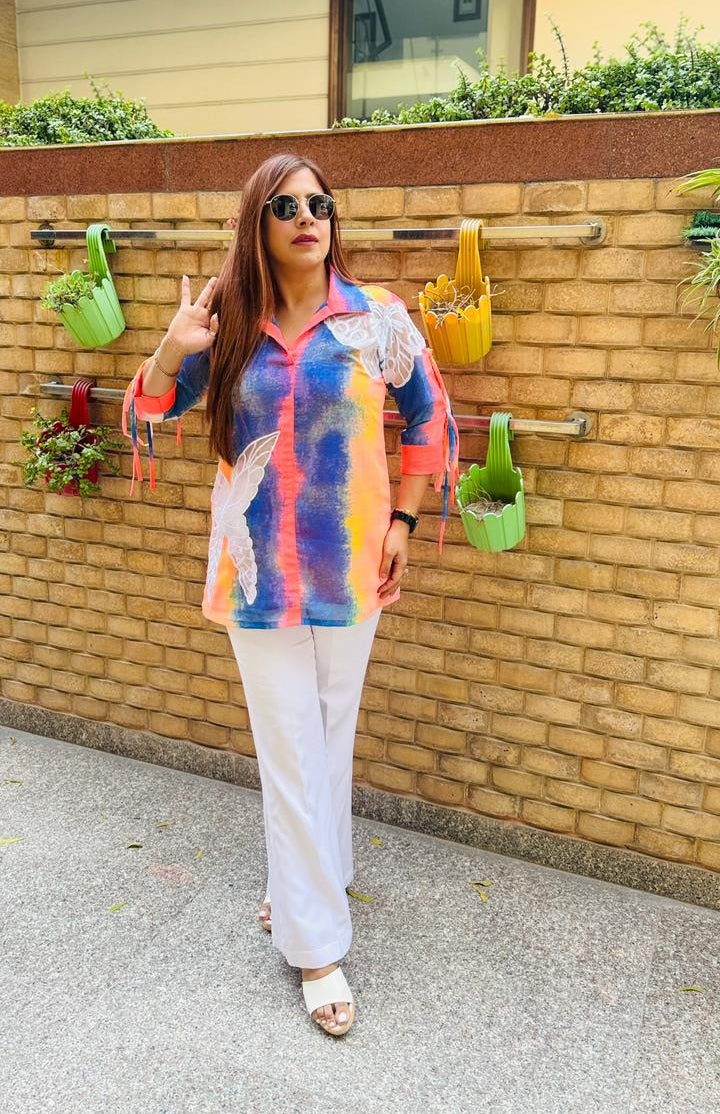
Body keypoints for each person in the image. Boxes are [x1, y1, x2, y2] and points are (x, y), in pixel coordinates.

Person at [121, 153, 460, 1037]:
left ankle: (310, 877)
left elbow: (430, 420)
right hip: (260, 575)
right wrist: (168, 350)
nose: (307, 215)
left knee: (331, 732)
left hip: (354, 564)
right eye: (285, 204)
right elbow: (144, 418)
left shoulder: (375, 318)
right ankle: (315, 945)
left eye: (320, 202)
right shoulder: (226, 322)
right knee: (289, 747)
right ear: (257, 221)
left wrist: (406, 524)